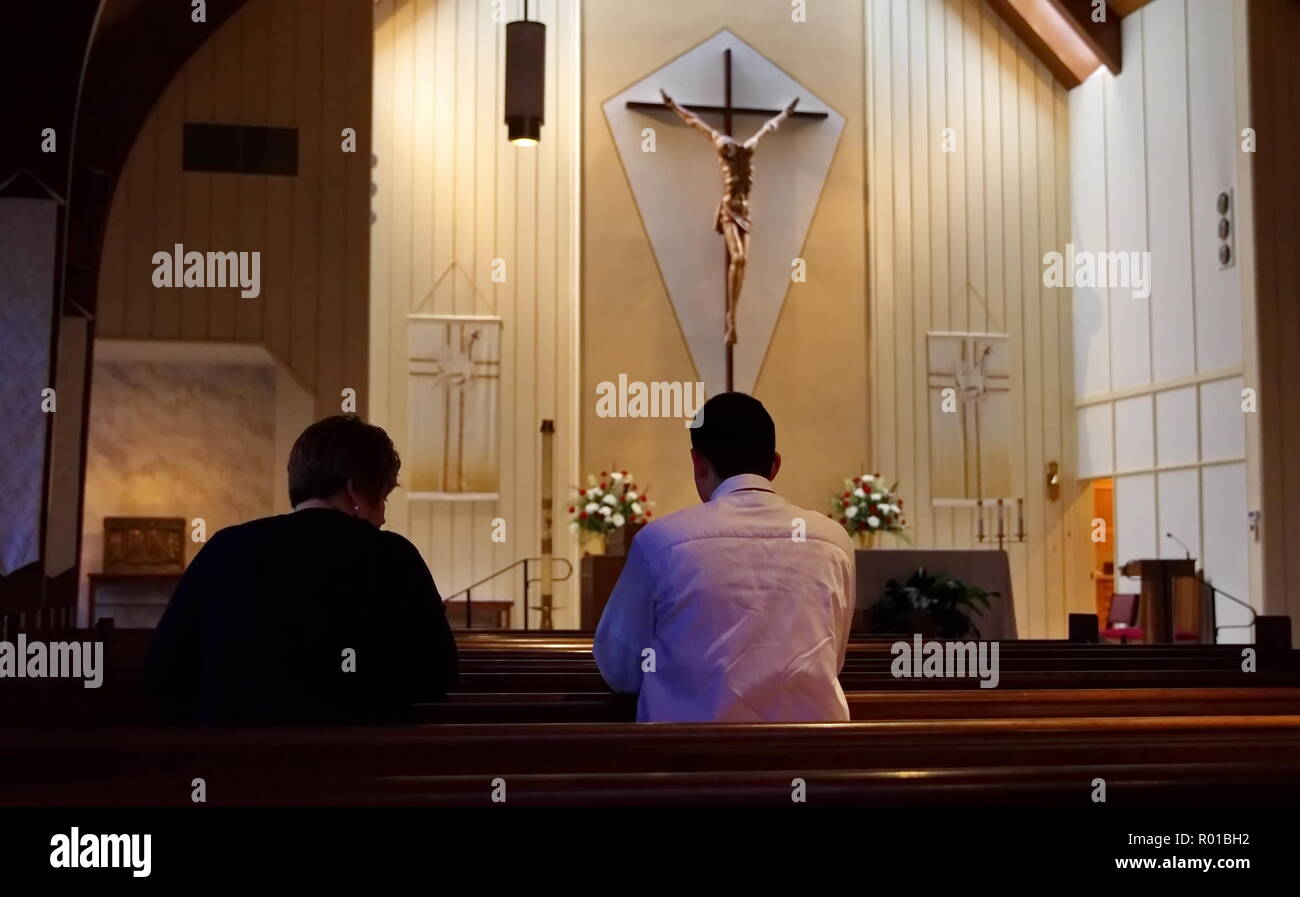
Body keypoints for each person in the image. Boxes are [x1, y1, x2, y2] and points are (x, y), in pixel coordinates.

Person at [147, 414, 458, 725]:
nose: (383, 517)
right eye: (383, 499)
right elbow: (440, 675)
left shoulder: (224, 547)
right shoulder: (394, 556)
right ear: (354, 490)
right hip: (363, 765)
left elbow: (163, 672)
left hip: (238, 765)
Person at [593, 392, 856, 722]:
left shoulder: (661, 541)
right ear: (774, 465)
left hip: (689, 761)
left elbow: (620, 667)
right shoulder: (833, 540)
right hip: (815, 757)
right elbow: (833, 657)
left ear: (698, 462)